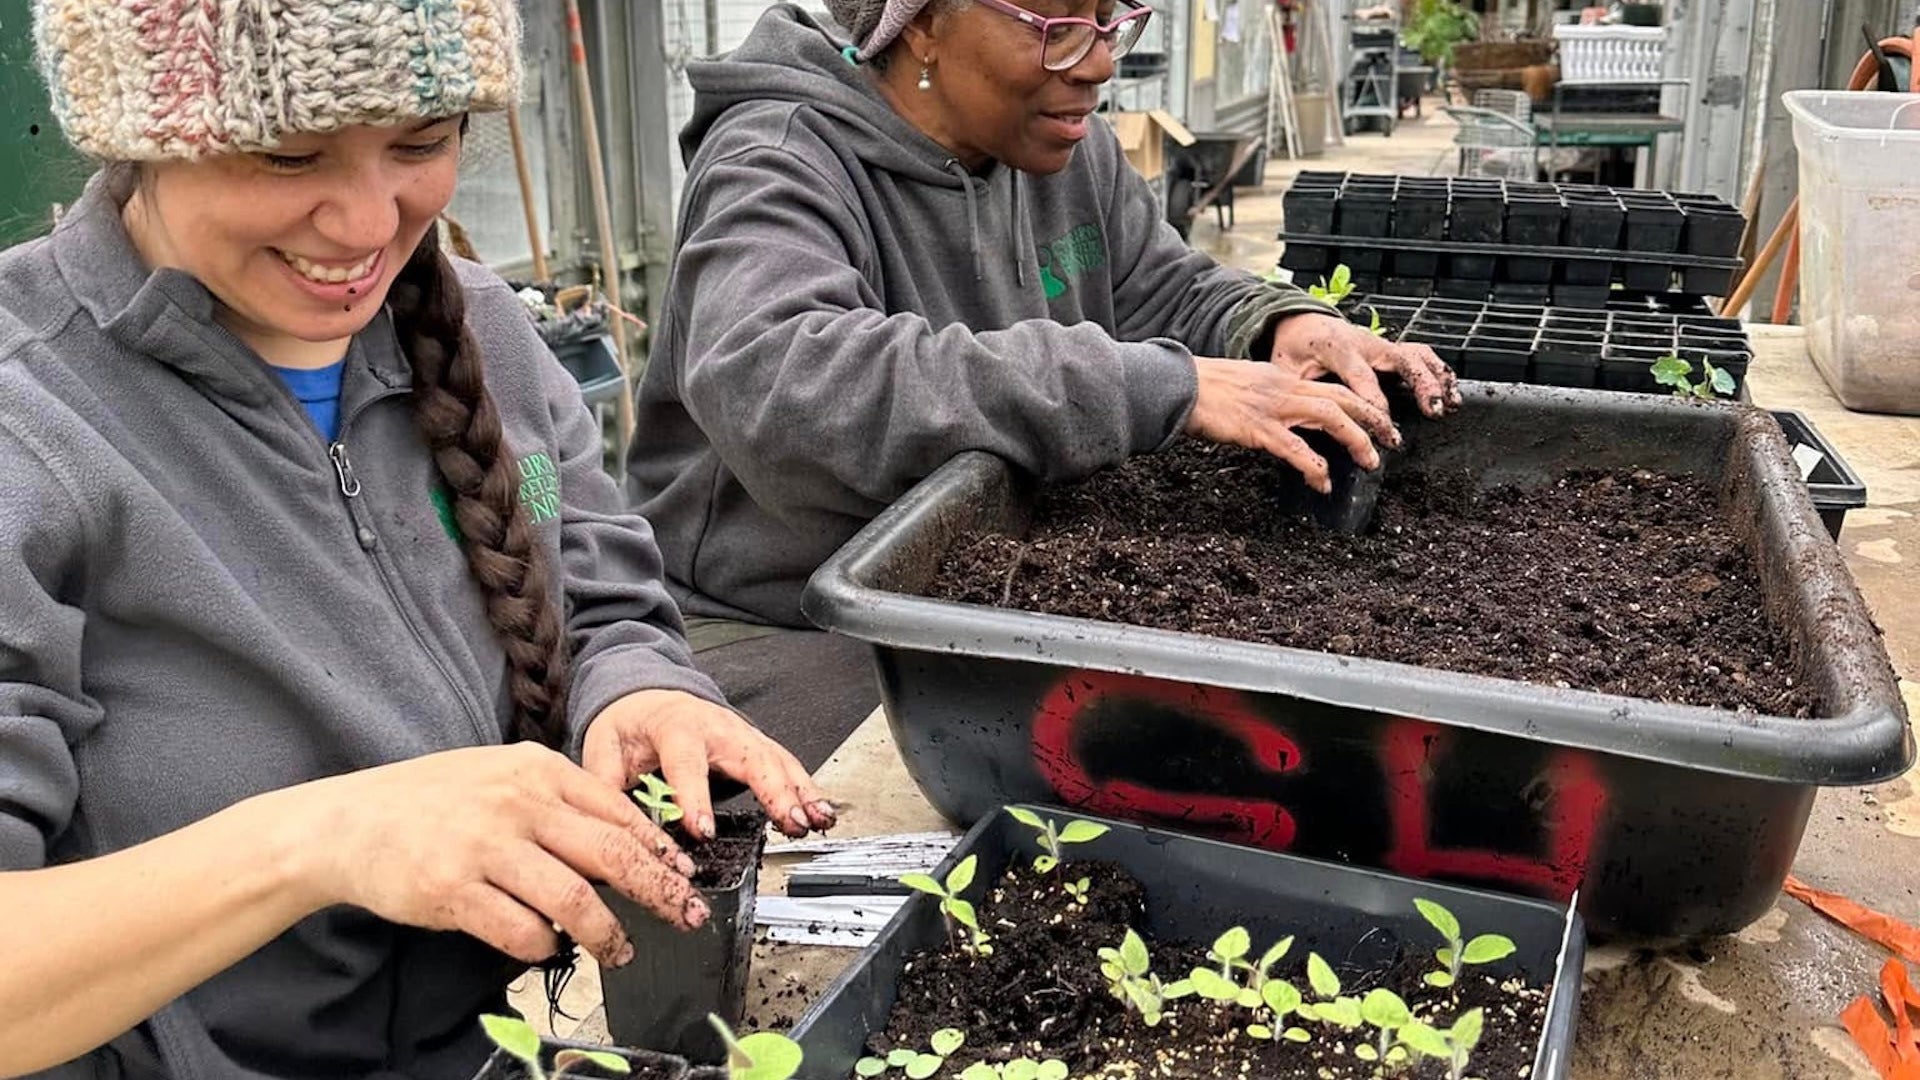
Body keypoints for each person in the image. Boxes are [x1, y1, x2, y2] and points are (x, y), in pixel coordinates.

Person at [0, 3, 833, 1077]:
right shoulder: (32, 419)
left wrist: (636, 688)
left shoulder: (483, 329)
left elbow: (596, 590)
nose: (363, 225)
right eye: (287, 152)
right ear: (135, 140)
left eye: (421, 143)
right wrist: (321, 844)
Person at [627, 0, 1461, 761]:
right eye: (1056, 24)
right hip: (788, 623)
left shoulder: (1062, 146)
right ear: (918, 24)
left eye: (1110, 20)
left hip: (971, 583)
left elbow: (1159, 287)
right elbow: (788, 384)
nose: (1097, 62)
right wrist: (1139, 388)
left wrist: (1278, 325)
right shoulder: (776, 161)